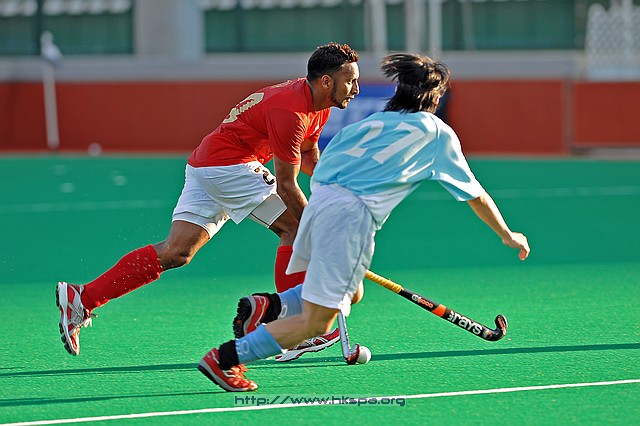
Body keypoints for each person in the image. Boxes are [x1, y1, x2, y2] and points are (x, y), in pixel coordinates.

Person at [197, 52, 531, 392]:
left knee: (353, 292)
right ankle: (226, 358)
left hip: (322, 205)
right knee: (316, 323)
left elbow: (323, 171)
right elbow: (475, 195)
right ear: (435, 97)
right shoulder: (437, 132)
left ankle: (271, 306)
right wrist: (507, 234)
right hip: (352, 220)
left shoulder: (370, 124)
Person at [56, 43, 360, 357]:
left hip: (207, 165)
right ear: (326, 81)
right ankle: (295, 329)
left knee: (177, 251)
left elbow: (308, 153)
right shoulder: (290, 111)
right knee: (296, 227)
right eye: (350, 81)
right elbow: (286, 185)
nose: (356, 89)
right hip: (230, 166)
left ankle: (83, 298)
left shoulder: (319, 104)